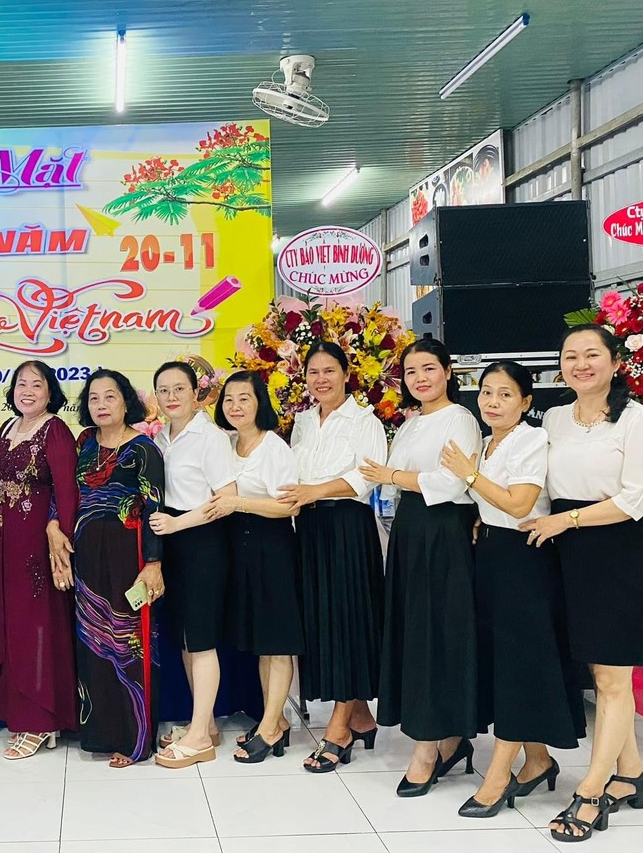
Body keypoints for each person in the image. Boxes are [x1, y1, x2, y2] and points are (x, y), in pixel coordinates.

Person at [520, 325, 643, 842]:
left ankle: (590, 793)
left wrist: (567, 521)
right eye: (570, 356)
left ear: (615, 362)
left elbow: (636, 499)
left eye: (591, 355)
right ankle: (632, 775)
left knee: (611, 677)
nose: (580, 364)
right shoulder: (554, 418)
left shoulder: (639, 419)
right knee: (599, 672)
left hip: (618, 552)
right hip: (564, 552)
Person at [440, 361, 584, 818]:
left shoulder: (529, 439)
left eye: (505, 394)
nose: (493, 402)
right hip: (492, 555)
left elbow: (520, 503)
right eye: (486, 392)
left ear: (526, 402)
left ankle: (499, 775)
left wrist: (469, 475)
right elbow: (491, 502)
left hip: (526, 559)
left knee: (518, 663)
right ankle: (537, 760)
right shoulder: (486, 444)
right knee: (507, 662)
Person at [359, 336, 483, 797]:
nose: (420, 378)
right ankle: (448, 739)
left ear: (448, 372)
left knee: (436, 634)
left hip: (443, 531)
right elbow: (392, 481)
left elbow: (451, 484)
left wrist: (392, 476)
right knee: (415, 632)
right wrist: (393, 479)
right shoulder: (412, 423)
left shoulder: (460, 419)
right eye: (411, 372)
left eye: (429, 368)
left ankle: (428, 748)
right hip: (411, 530)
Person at [279, 342, 386, 773]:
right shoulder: (303, 421)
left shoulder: (365, 420)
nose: (320, 379)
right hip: (308, 528)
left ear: (346, 374)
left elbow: (367, 476)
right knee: (322, 621)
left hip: (347, 527)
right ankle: (360, 717)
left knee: (348, 621)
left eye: (329, 370)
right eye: (313, 372)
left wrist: (315, 491)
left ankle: (339, 729)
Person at [58, 369, 164, 768]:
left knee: (129, 644)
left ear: (126, 402)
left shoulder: (143, 449)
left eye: (110, 397)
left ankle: (135, 741)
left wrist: (153, 564)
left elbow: (155, 510)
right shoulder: (84, 442)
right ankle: (99, 733)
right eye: (94, 398)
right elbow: (66, 494)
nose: (101, 405)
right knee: (93, 644)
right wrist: (53, 525)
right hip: (86, 558)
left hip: (128, 558)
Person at [205, 370, 304, 764]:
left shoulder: (274, 447)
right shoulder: (226, 444)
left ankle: (270, 728)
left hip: (271, 547)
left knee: (277, 643)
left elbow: (289, 506)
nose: (235, 406)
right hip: (237, 547)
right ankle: (274, 721)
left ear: (260, 402)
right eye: (228, 399)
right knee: (261, 643)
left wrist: (238, 503)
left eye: (244, 398)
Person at [149, 360, 235, 769]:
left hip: (202, 541)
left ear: (196, 392)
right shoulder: (160, 437)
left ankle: (200, 738)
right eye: (163, 390)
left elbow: (227, 498)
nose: (171, 397)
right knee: (185, 639)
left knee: (201, 640)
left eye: (179, 388)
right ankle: (205, 724)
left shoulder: (210, 437)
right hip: (172, 544)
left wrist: (177, 523)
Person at [0, 360, 79, 760]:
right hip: (7, 541)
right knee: (14, 627)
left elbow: (67, 491)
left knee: (39, 625)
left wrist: (60, 541)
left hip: (40, 545)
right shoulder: (7, 428)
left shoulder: (54, 429)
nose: (27, 391)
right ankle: (22, 712)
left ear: (50, 392)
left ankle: (43, 720)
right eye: (21, 383)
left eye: (36, 384)